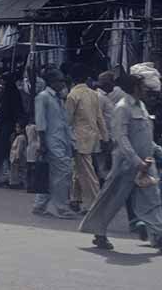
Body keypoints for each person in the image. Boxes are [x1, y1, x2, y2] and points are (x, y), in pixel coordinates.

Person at [79, 74, 162, 253]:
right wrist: (137, 162)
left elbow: (145, 137)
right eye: (143, 86)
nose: (147, 90)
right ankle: (99, 232)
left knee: (152, 200)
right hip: (126, 165)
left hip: (146, 164)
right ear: (135, 87)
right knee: (112, 200)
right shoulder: (122, 108)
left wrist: (159, 155)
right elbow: (121, 139)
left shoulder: (142, 107)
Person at [32, 69, 78, 219]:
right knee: (62, 174)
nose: (63, 84)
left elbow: (64, 123)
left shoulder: (58, 99)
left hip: (62, 140)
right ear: (52, 82)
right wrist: (43, 144)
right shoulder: (43, 97)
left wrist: (71, 142)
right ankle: (62, 208)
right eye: (60, 81)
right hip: (52, 142)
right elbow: (40, 123)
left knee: (51, 174)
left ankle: (39, 206)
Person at [66, 63, 108, 212]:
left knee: (87, 172)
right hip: (92, 137)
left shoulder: (72, 95)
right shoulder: (93, 94)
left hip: (78, 138)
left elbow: (68, 121)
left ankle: (95, 203)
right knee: (80, 168)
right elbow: (99, 118)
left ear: (71, 78)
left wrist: (66, 139)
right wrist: (105, 137)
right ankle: (75, 198)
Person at [8, 121, 28, 189]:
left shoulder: (21, 137)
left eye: (18, 127)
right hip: (15, 156)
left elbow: (19, 149)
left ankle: (17, 183)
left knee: (18, 171)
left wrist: (17, 157)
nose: (17, 129)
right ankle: (16, 183)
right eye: (16, 127)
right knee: (16, 171)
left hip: (16, 157)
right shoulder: (18, 137)